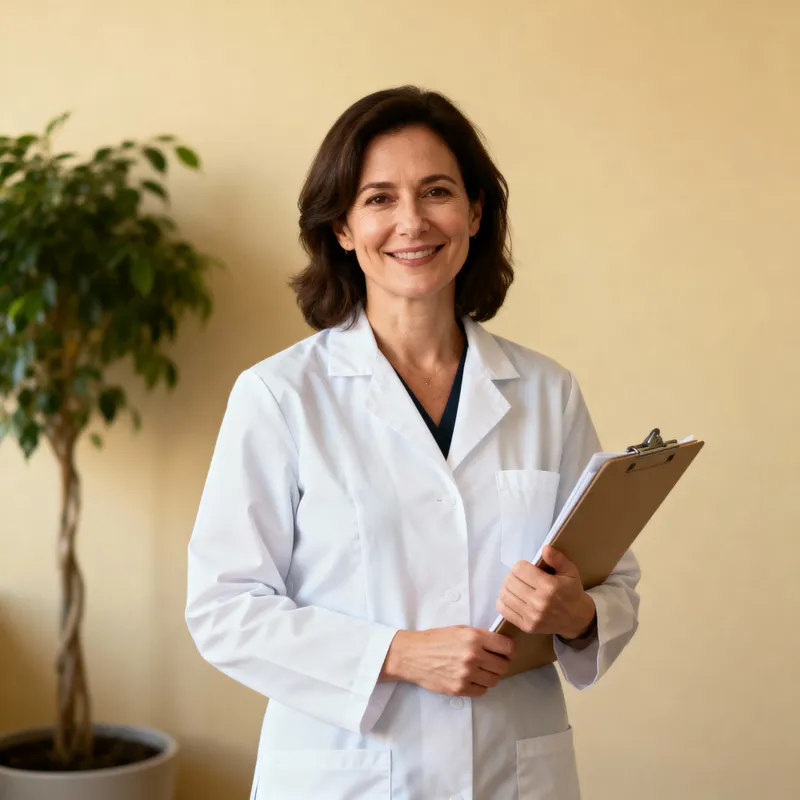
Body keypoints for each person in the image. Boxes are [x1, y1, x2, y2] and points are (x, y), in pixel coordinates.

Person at [185, 86, 640, 800]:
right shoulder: (281, 396)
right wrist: (395, 655)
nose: (412, 222)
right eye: (378, 198)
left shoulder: (548, 392)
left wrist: (576, 615)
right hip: (349, 771)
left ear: (476, 212)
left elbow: (615, 584)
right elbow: (223, 609)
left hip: (512, 769)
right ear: (341, 226)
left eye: (437, 192)